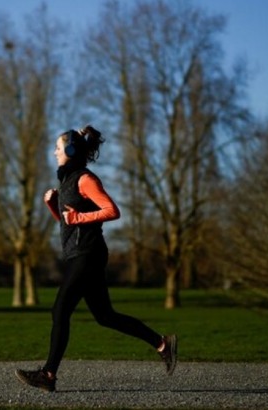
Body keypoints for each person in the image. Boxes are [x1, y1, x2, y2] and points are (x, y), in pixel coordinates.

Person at [15, 125, 177, 393]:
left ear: (69, 150)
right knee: (105, 316)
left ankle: (48, 374)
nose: (54, 151)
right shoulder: (66, 181)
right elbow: (69, 226)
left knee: (60, 310)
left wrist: (78, 217)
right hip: (80, 254)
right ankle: (163, 344)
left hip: (88, 255)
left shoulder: (85, 179)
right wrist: (53, 206)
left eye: (58, 147)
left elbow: (112, 210)